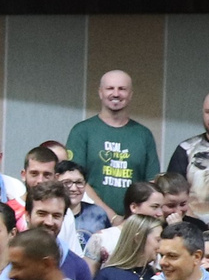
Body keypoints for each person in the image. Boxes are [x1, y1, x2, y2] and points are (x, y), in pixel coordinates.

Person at [63, 70, 160, 215]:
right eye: (110, 88)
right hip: (89, 218)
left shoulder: (144, 135)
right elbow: (73, 180)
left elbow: (152, 184)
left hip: (133, 222)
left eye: (122, 89)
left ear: (131, 94)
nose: (116, 94)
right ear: (100, 93)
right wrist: (111, 216)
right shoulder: (81, 131)